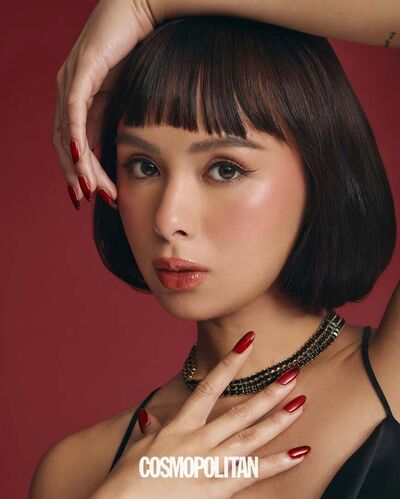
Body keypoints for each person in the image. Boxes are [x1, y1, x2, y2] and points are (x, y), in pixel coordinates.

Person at [31, 3, 398, 499]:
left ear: (320, 173)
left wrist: (146, 3)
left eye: (225, 169)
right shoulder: (75, 472)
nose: (168, 219)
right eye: (143, 166)